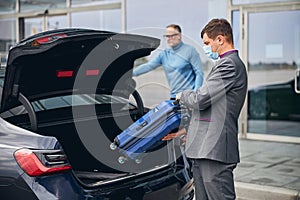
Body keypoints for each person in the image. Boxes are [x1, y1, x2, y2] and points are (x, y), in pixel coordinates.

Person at [164, 18, 248, 199]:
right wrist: (186, 130)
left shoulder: (229, 64)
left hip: (214, 150)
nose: (206, 48)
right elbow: (213, 108)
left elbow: (201, 99)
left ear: (220, 39)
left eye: (207, 43)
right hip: (203, 149)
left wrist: (182, 95)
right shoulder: (223, 64)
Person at [132, 24, 204, 99]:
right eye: (166, 36)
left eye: (171, 36)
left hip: (189, 97)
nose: (168, 39)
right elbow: (149, 66)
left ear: (179, 36)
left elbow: (199, 73)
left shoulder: (190, 51)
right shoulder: (164, 54)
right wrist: (130, 73)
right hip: (174, 97)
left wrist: (195, 95)